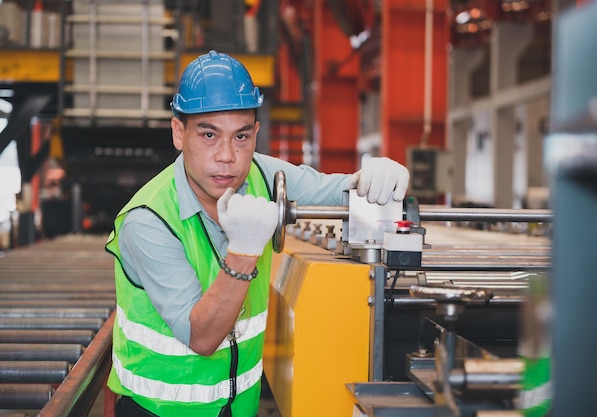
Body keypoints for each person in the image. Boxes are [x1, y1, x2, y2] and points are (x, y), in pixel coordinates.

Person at [105, 50, 409, 417]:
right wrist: (243, 252)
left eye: (241, 136)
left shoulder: (265, 176)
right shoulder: (149, 220)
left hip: (238, 409)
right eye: (208, 134)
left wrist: (379, 178)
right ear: (178, 133)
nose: (227, 156)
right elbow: (200, 336)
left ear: (256, 134)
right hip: (158, 411)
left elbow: (343, 191)